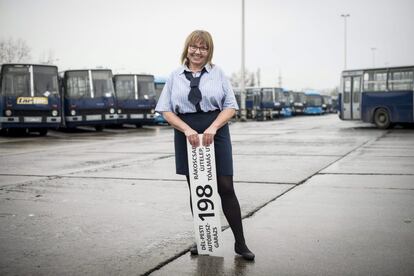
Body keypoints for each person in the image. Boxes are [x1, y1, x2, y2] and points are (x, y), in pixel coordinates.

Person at [155, 30, 255, 261]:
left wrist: (213, 127)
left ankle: (240, 243)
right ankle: (204, 240)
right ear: (187, 48)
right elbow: (166, 109)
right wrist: (187, 130)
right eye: (194, 46)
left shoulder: (218, 73)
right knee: (199, 189)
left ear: (209, 51)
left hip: (216, 131)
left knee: (225, 186)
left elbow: (230, 106)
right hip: (186, 132)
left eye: (204, 48)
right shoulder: (174, 76)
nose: (198, 51)